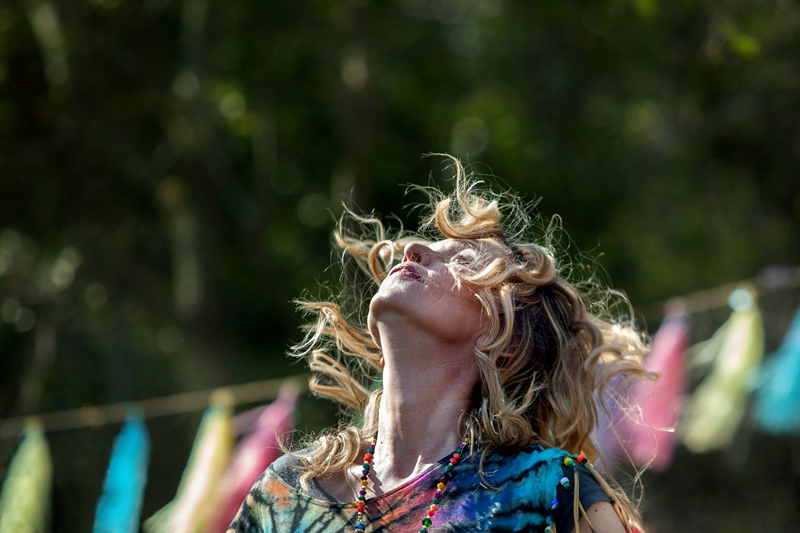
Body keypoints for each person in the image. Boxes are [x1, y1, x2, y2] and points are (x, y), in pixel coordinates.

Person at [229, 156, 650, 533]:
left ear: (507, 335)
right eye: (430, 245)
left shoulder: (548, 492)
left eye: (462, 258)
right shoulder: (288, 491)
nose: (413, 248)